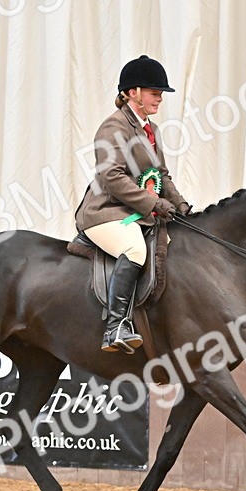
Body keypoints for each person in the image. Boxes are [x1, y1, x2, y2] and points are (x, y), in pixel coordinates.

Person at [74, 55, 192, 353]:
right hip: (107, 212)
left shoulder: (151, 129)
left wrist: (179, 204)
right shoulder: (113, 127)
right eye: (154, 93)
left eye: (160, 94)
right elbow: (112, 177)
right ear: (132, 92)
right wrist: (154, 203)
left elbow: (160, 174)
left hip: (134, 212)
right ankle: (115, 327)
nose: (160, 99)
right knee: (135, 249)